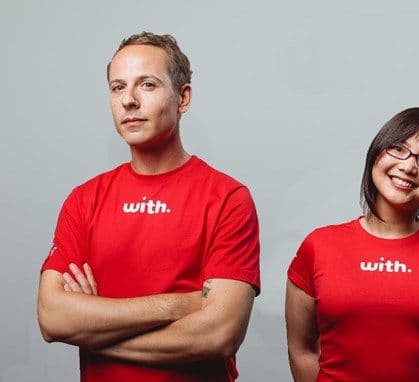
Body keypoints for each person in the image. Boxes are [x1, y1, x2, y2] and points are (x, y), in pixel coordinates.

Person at [36, 32, 260, 381]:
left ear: (183, 98)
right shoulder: (84, 199)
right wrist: (178, 304)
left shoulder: (228, 198)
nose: (128, 100)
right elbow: (52, 318)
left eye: (148, 85)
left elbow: (220, 333)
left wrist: (91, 329)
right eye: (117, 87)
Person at [285, 107, 419, 381]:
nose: (408, 166)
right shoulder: (319, 246)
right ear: (376, 153)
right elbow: (302, 349)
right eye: (398, 148)